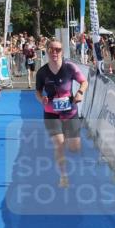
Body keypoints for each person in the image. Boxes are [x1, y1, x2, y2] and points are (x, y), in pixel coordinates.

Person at [35, 40, 88, 189]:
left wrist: (80, 92)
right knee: (58, 144)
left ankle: (70, 140)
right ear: (46, 51)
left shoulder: (69, 67)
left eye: (57, 49)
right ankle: (63, 176)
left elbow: (84, 82)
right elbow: (37, 92)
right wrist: (42, 99)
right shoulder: (42, 72)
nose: (54, 52)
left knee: (74, 148)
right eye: (51, 49)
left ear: (62, 52)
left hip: (70, 112)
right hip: (51, 113)